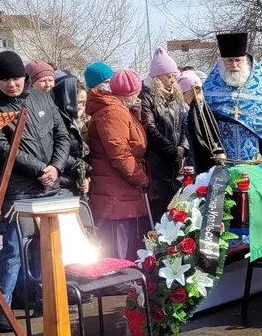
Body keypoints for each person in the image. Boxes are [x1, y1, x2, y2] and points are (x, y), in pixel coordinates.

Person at [0, 50, 72, 330]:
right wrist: (40, 169)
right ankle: (0, 306)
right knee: (14, 249)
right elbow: (2, 151)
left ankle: (44, 295)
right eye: (6, 80)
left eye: (17, 78)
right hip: (18, 189)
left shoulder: (42, 97)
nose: (12, 84)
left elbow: (61, 134)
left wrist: (56, 166)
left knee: (49, 246)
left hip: (50, 185)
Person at [87, 69, 151, 260]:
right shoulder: (113, 113)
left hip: (121, 193)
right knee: (119, 253)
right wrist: (141, 178)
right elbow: (120, 153)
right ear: (131, 93)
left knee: (127, 250)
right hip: (115, 195)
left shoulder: (120, 111)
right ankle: (119, 288)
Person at [202, 32, 262, 161]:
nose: (234, 65)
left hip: (257, 152)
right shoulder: (209, 88)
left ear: (245, 61)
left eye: (238, 60)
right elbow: (199, 119)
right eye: (229, 60)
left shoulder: (260, 87)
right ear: (222, 62)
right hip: (221, 150)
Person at [139, 48, 185, 216]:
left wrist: (182, 147)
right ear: (158, 77)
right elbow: (150, 129)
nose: (173, 80)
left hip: (176, 161)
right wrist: (172, 150)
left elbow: (183, 124)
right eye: (169, 76)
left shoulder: (175, 97)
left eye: (174, 76)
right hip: (157, 163)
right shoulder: (147, 97)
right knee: (162, 209)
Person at [180, 70, 227, 173]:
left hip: (202, 159)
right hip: (193, 159)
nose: (198, 94)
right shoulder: (185, 111)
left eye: (199, 90)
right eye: (195, 90)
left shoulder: (203, 109)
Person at [52, 71, 88, 194]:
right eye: (78, 102)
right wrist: (83, 168)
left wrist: (84, 177)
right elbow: (59, 154)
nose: (81, 106)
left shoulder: (76, 121)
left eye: (84, 102)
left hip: (73, 182)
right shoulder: (56, 121)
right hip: (60, 185)